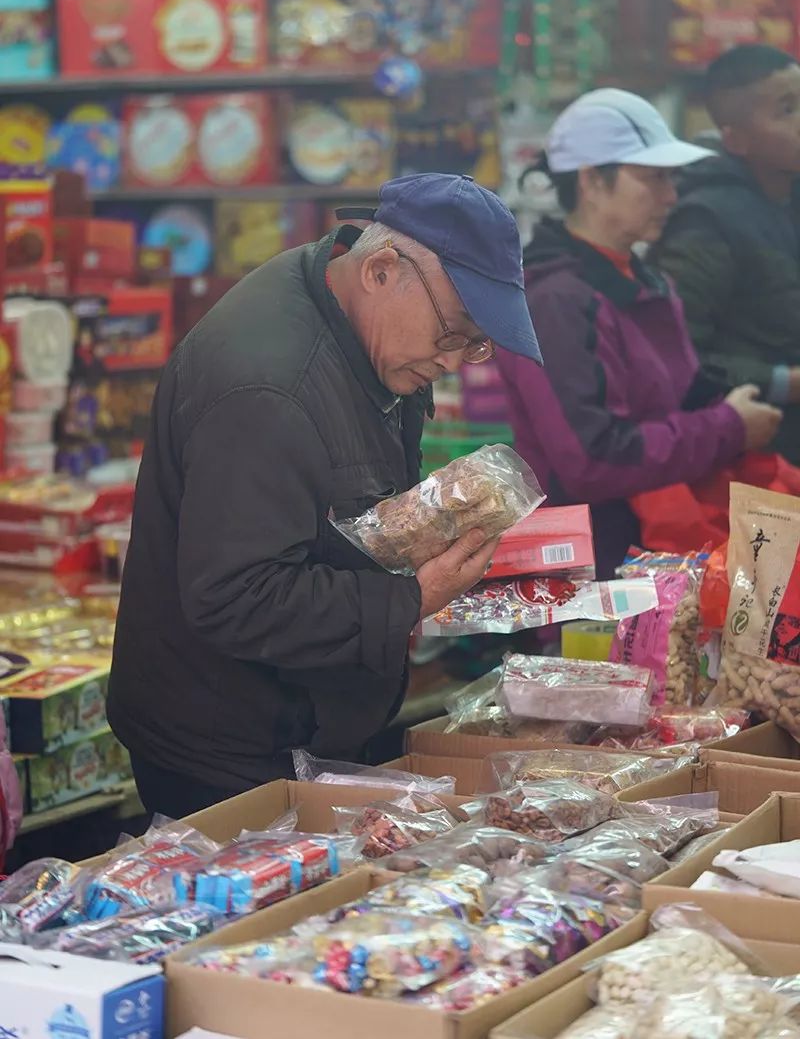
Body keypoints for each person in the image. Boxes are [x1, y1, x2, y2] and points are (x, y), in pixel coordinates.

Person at [108, 173, 542, 817]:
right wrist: (411, 598)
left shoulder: (347, 305)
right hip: (230, 754)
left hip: (302, 720)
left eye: (476, 345)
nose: (455, 361)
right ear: (382, 270)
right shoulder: (270, 392)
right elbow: (236, 597)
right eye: (454, 331)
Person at [495, 88, 782, 578]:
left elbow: (677, 400)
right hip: (590, 567)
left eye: (672, 179)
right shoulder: (555, 299)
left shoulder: (645, 282)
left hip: (655, 554)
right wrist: (729, 426)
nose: (671, 195)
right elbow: (592, 459)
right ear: (591, 181)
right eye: (653, 179)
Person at [651, 44, 800, 464]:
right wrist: (785, 381)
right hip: (756, 455)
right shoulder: (705, 220)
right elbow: (675, 353)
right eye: (787, 110)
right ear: (736, 138)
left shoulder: (790, 196)